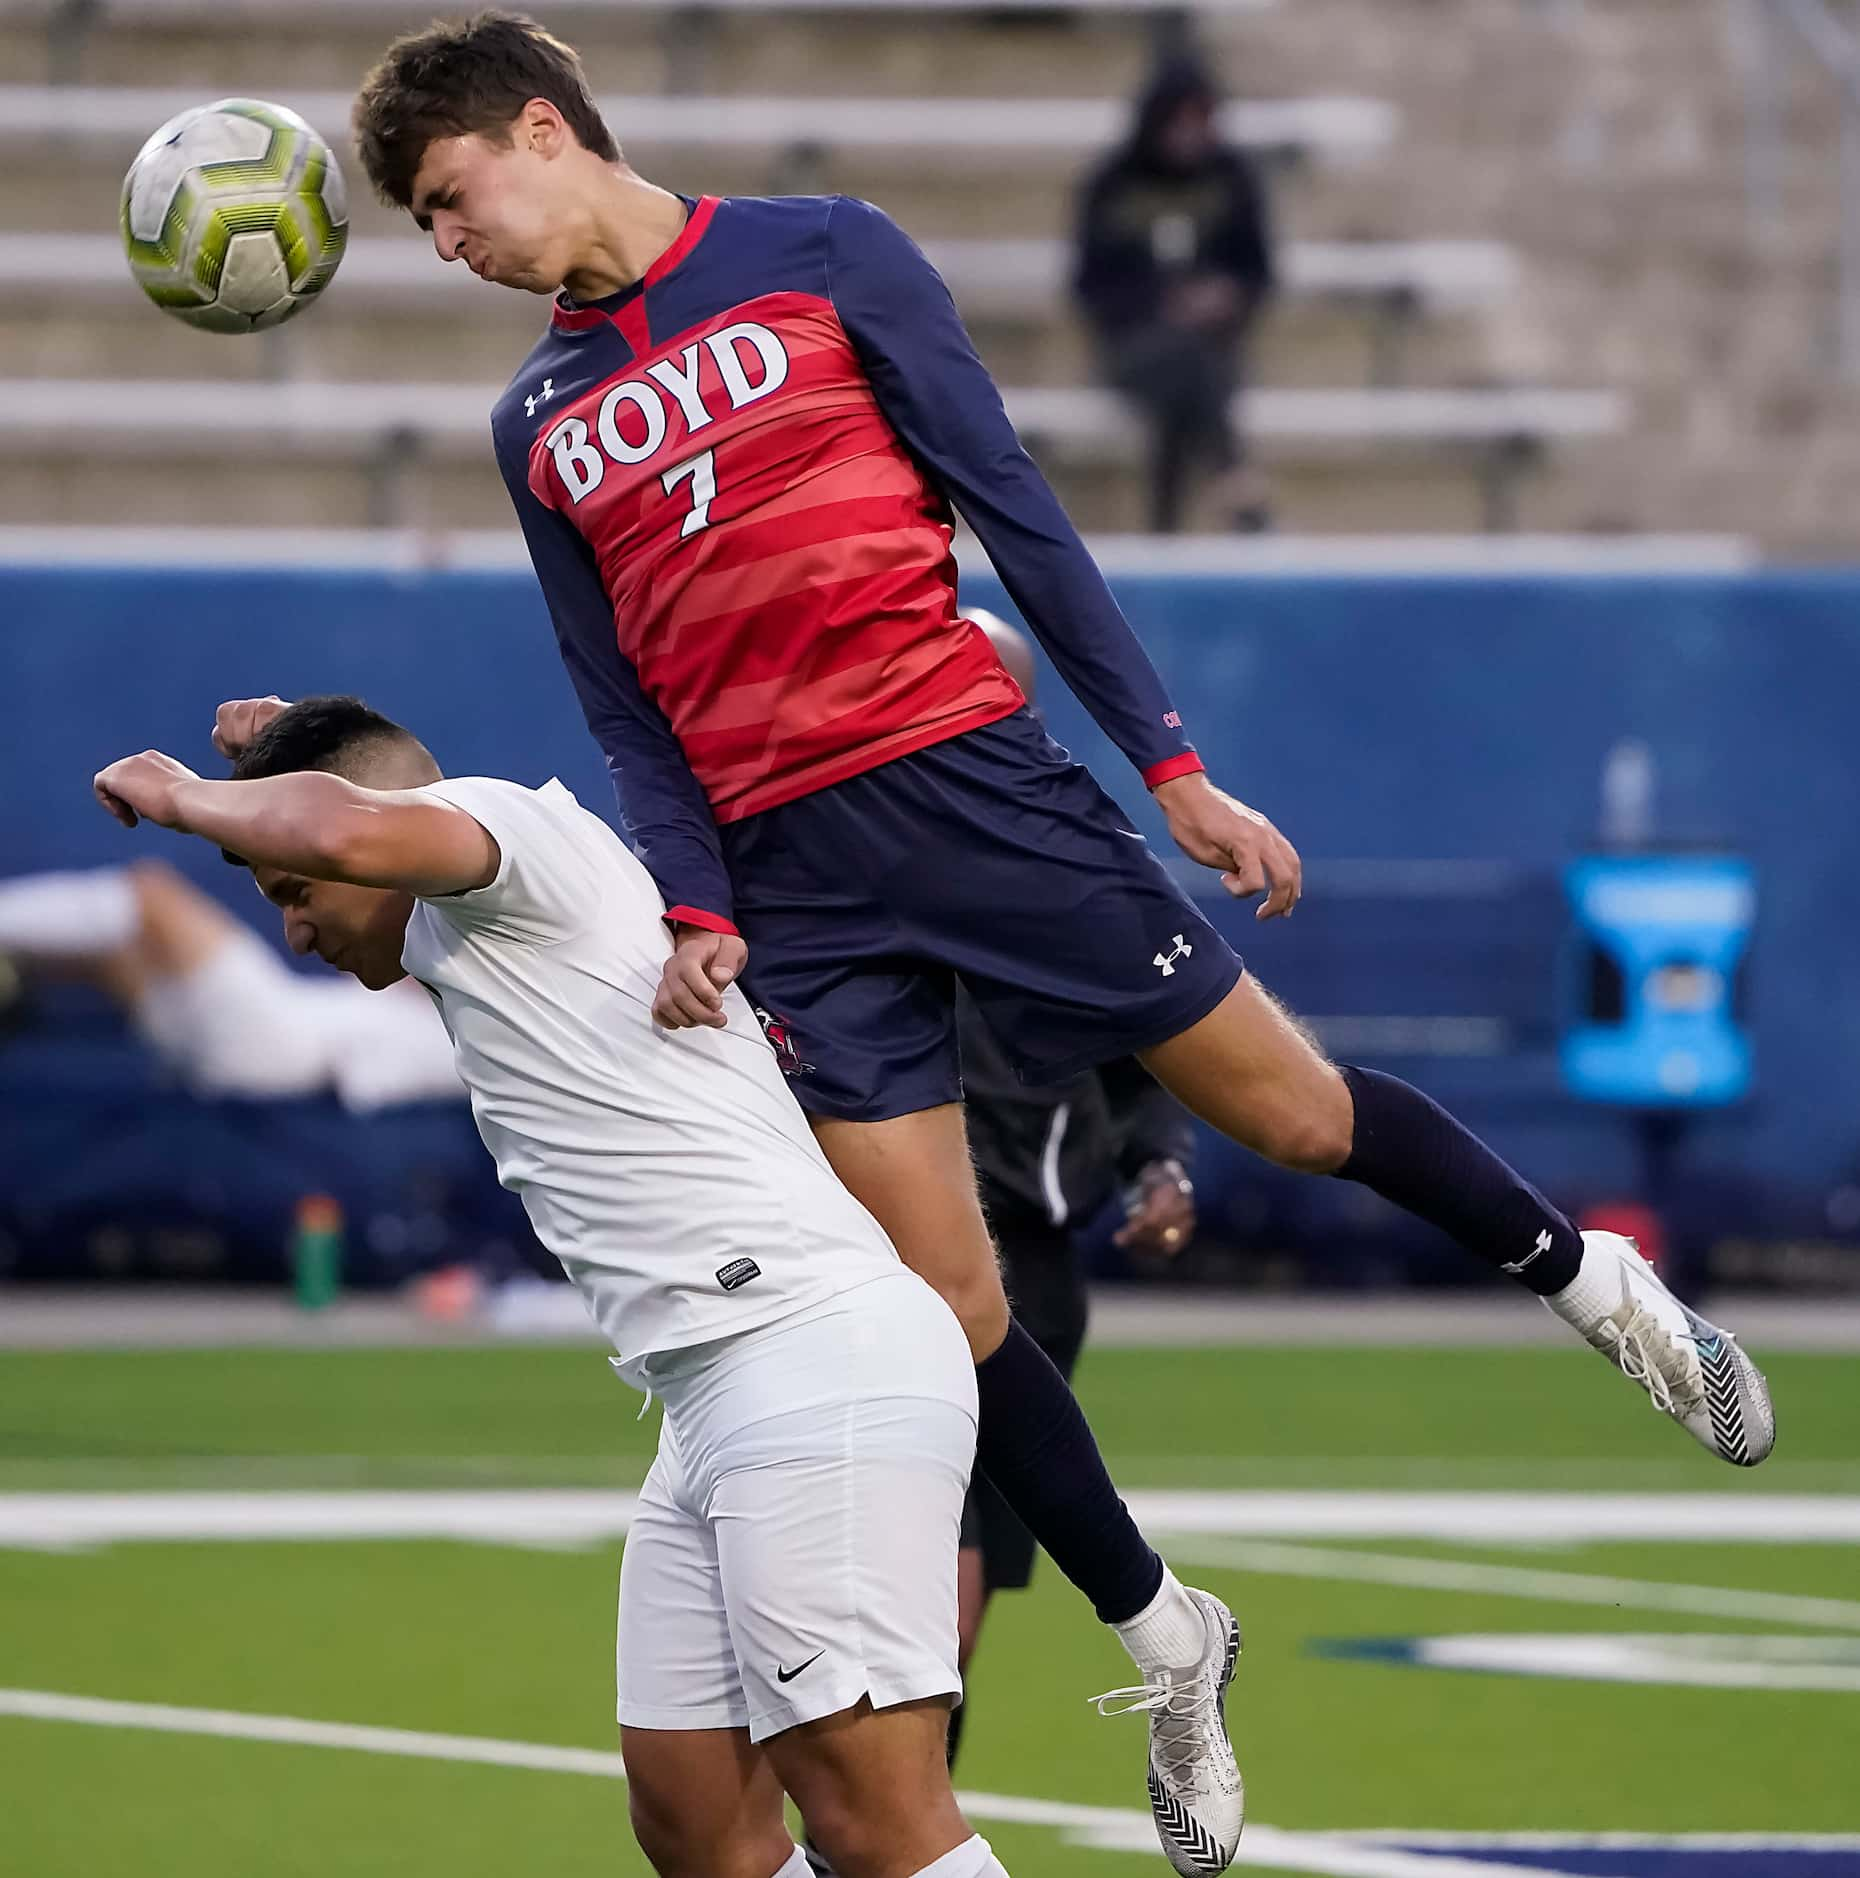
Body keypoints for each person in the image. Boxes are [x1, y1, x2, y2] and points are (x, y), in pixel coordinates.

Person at [349, 16, 1774, 1865]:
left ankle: (1608, 1296)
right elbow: (623, 706)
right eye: (426, 229)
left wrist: (1168, 765)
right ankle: (1167, 1632)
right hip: (794, 884)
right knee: (944, 1314)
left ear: (541, 131)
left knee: (1297, 1112)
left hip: (972, 782)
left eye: (452, 202)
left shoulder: (826, 254)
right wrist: (699, 898)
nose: (449, 246)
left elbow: (1017, 517)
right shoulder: (533, 420)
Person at [92, 697, 1008, 1878]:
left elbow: (357, 820)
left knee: (877, 1826)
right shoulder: (450, 910)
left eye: (294, 894)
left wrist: (179, 795)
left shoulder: (501, 831)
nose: (298, 934)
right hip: (712, 1391)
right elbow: (342, 807)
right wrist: (275, 764)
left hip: (805, 1352)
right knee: (700, 1829)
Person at [0, 858, 459, 1111]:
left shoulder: (467, 1036)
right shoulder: (417, 995)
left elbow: (367, 1078)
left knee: (152, 897)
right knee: (115, 959)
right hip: (267, 1040)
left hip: (277, 1045)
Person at [1074, 57, 1276, 534]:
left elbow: (1259, 272)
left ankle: (1163, 530)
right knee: (1184, 362)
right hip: (1133, 351)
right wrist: (1161, 305)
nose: (1188, 135)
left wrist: (1226, 298)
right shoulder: (1113, 182)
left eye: (1199, 121)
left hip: (1216, 354)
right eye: (1178, 121)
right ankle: (1232, 473)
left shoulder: (1234, 178)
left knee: (1187, 380)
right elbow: (1090, 284)